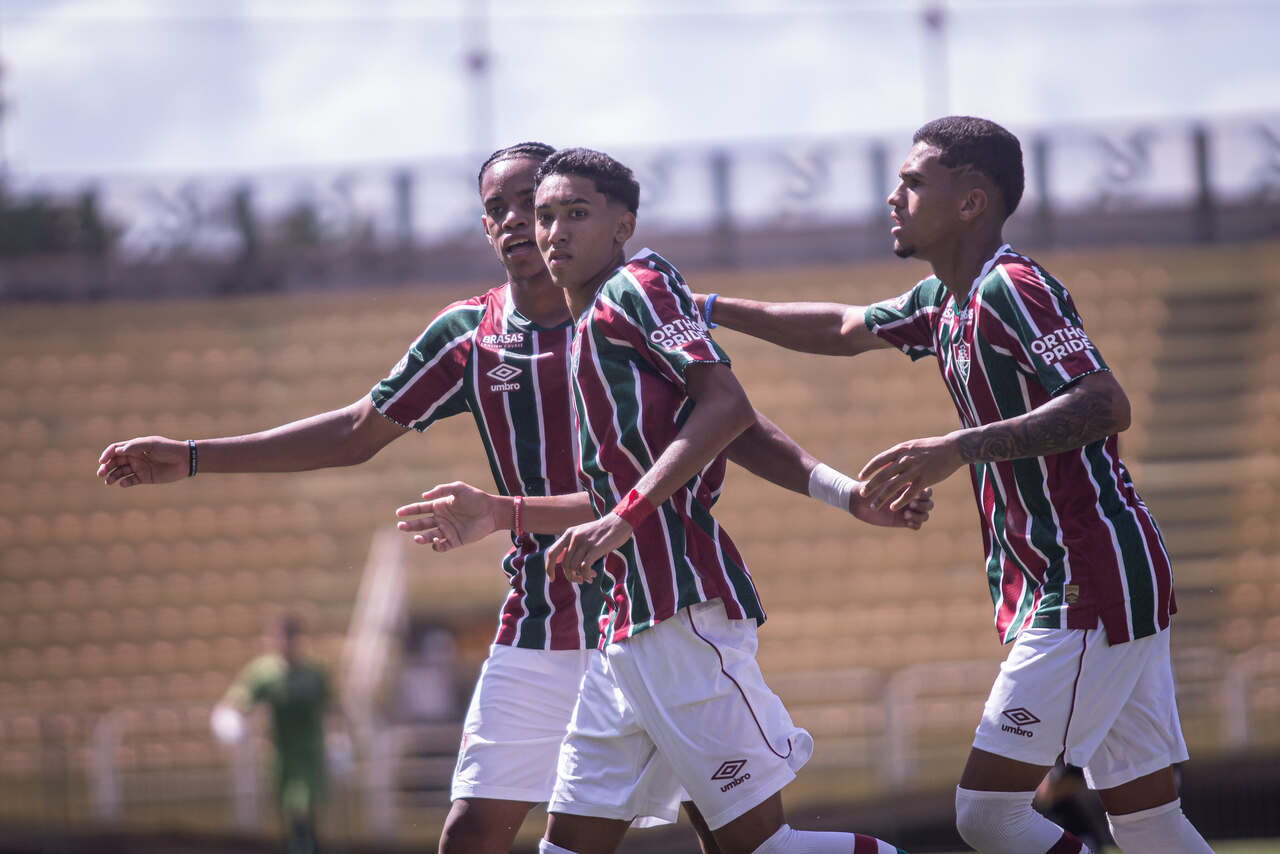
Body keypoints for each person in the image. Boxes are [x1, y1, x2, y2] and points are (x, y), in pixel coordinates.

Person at [98, 142, 927, 854]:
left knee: (740, 840)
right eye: (502, 207)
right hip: (556, 617)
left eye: (544, 203)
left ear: (596, 216)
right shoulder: (474, 333)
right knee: (475, 833)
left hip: (661, 603)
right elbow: (356, 431)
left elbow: (730, 421)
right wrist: (198, 456)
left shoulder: (630, 298)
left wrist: (840, 493)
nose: (524, 222)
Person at [692, 116, 1213, 854]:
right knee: (1149, 820)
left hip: (1090, 580)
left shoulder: (1012, 287)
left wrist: (958, 447)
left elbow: (1105, 403)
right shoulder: (945, 299)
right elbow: (842, 327)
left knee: (987, 813)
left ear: (970, 202)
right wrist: (708, 308)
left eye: (912, 182)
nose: (893, 196)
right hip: (1078, 577)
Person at [498, 146, 909, 854]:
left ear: (622, 225)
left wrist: (620, 519)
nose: (554, 231)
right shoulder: (588, 321)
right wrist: (845, 493)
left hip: (678, 618)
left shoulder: (637, 286)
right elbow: (723, 424)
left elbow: (725, 405)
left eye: (576, 213)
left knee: (762, 849)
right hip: (623, 632)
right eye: (545, 216)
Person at [212, 613, 345, 854]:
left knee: (304, 811)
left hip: (310, 755)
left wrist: (338, 741)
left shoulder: (314, 673)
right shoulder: (265, 673)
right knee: (291, 817)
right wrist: (228, 720)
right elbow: (237, 701)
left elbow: (333, 708)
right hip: (282, 757)